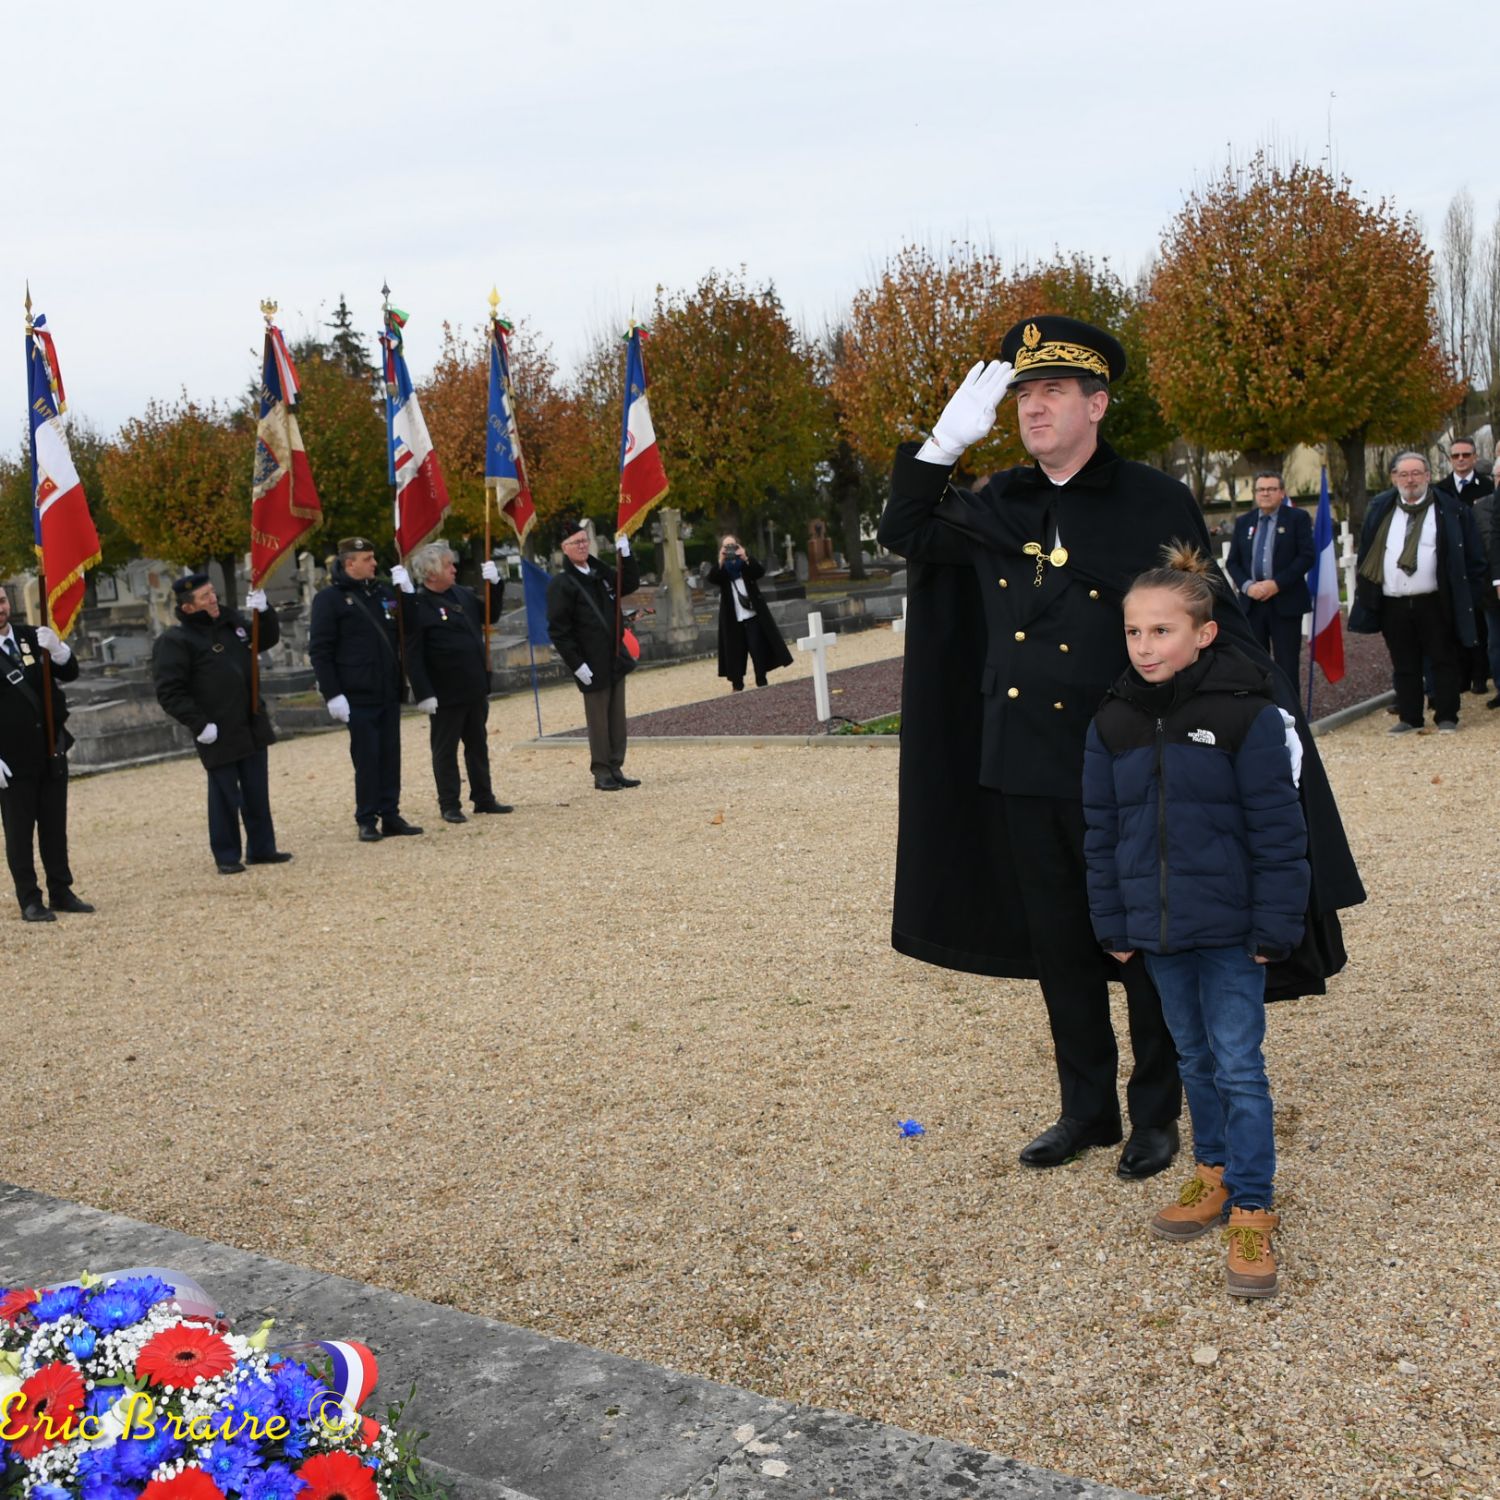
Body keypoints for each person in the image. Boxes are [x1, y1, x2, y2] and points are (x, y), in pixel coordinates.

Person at [876, 314, 1363, 1179]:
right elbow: (904, 531)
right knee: (1059, 944)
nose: (1033, 408)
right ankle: (1086, 1110)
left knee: (1147, 945)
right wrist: (942, 446)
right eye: (1024, 394)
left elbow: (1205, 621)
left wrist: (1256, 718)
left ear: (1096, 405)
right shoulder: (998, 500)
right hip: (1024, 759)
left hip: (1133, 760)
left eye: (1053, 392)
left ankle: (1156, 1115)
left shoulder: (1152, 500)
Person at [1082, 545, 1307, 1298]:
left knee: (1239, 1066)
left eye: (1162, 631)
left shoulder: (1248, 713)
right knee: (1194, 1058)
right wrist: (1113, 923)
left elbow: (1279, 829)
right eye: (1133, 632)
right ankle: (1212, 1173)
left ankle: (1253, 1205)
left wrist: (1276, 925)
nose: (1145, 647)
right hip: (1158, 932)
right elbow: (1101, 832)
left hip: (1233, 932)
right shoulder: (1112, 720)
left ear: (1204, 634)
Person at [153, 573, 292, 874]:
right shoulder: (176, 641)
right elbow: (169, 691)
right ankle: (227, 855)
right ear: (188, 607)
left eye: (213, 592)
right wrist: (198, 724)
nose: (213, 599)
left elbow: (265, 639)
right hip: (216, 728)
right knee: (225, 795)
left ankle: (262, 848)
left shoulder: (232, 624)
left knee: (256, 790)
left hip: (250, 719)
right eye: (204, 597)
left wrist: (265, 612)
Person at [1349, 452, 1488, 734]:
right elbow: (1367, 552)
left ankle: (1447, 715)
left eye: (1415, 473)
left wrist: (1469, 596)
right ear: (1394, 478)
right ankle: (1410, 717)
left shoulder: (1449, 509)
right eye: (1403, 474)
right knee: (1404, 662)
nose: (1410, 480)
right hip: (1393, 602)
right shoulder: (1381, 509)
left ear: (1427, 476)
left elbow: (1472, 557)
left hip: (1436, 600)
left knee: (1443, 659)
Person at [308, 537, 423, 842]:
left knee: (390, 755)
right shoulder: (330, 600)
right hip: (356, 692)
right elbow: (320, 650)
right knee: (367, 757)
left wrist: (407, 594)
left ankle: (390, 814)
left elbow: (410, 627)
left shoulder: (384, 593)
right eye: (367, 559)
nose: (374, 563)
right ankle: (367, 817)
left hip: (387, 688)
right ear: (350, 564)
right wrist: (332, 694)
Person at [0, 588, 93, 922]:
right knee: (19, 832)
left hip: (50, 747)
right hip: (11, 759)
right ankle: (29, 898)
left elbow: (69, 673)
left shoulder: (32, 636)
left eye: (1, 601)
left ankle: (61, 890)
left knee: (54, 826)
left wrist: (59, 650)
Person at [405, 542, 509, 823]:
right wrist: (423, 692)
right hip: (444, 691)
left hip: (473, 684)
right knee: (445, 750)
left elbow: (490, 616)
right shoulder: (418, 605)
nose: (454, 569)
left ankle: (484, 798)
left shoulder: (462, 594)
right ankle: (449, 803)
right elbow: (412, 654)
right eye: (448, 565)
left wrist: (495, 585)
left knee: (477, 745)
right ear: (431, 573)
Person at [546, 519, 642, 791]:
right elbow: (559, 630)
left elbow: (628, 584)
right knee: (598, 720)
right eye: (576, 542)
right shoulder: (562, 584)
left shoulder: (600, 572)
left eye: (584, 541)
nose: (582, 546)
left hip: (614, 654)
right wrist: (577, 664)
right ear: (565, 548)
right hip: (590, 659)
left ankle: (616, 765)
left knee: (616, 716)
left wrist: (625, 554)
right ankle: (601, 770)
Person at [1225, 472, 1314, 692]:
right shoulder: (1244, 522)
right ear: (1255, 493)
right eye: (1261, 489)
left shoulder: (1297, 518)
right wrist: (1247, 586)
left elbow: (1306, 557)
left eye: (1271, 489)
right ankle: (1263, 709)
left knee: (1287, 666)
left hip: (1285, 603)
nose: (1265, 493)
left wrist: (1276, 584)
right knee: (1255, 664)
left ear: (1282, 493)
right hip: (1252, 604)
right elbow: (1233, 562)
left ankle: (1290, 711)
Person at [1434, 438, 1495, 694]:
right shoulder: (1441, 490)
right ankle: (1461, 676)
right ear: (1450, 459)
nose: (1460, 459)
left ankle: (1480, 675)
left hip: (1478, 562)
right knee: (1453, 620)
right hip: (1451, 563)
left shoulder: (1488, 487)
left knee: (1479, 622)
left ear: (1474, 457)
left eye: (1466, 455)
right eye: (1456, 455)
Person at [706, 534, 793, 691]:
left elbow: (759, 572)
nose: (730, 549)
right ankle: (737, 685)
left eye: (732, 545)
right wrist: (721, 560)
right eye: (726, 546)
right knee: (735, 652)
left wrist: (745, 557)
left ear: (738, 546)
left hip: (752, 615)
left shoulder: (745, 566)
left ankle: (761, 681)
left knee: (757, 649)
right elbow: (712, 578)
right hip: (733, 618)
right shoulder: (723, 570)